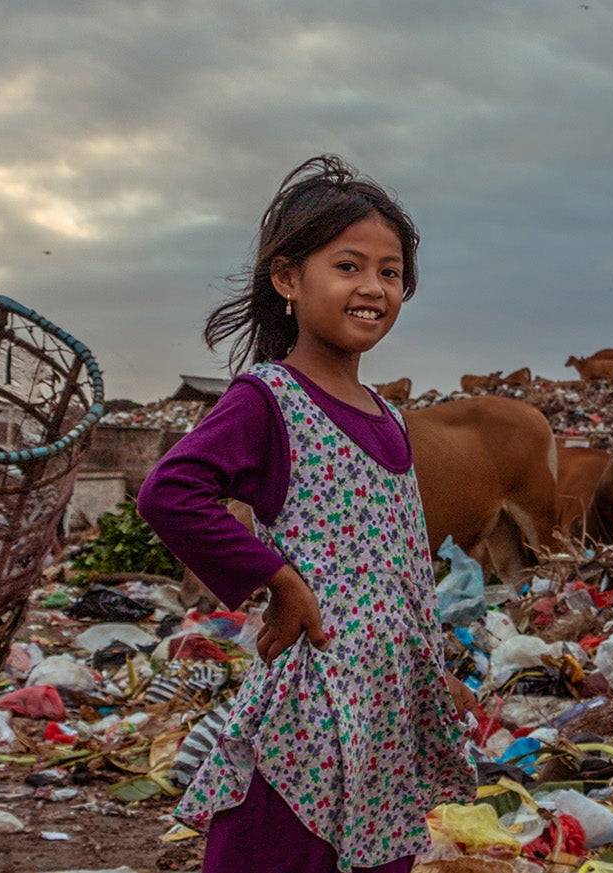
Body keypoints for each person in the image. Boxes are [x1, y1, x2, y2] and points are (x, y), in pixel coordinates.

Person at [138, 156, 474, 873]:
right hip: (310, 705)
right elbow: (171, 491)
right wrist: (279, 580)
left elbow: (404, 566)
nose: (373, 288)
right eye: (348, 265)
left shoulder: (390, 418)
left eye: (390, 273)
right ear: (288, 279)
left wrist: (431, 668)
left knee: (378, 856)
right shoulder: (270, 398)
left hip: (387, 713)